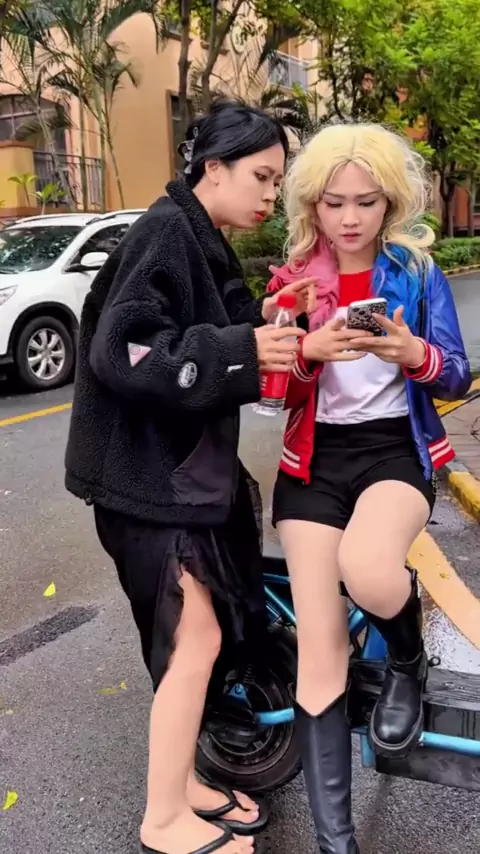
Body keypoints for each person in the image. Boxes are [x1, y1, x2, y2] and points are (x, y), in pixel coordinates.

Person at [64, 100, 313, 854]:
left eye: (277, 180)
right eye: (262, 176)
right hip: (146, 484)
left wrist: (268, 315)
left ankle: (185, 789)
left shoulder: (200, 237)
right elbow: (126, 351)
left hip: (172, 479)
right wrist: (244, 350)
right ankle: (163, 818)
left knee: (199, 640)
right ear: (214, 167)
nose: (271, 194)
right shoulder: (167, 232)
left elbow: (212, 324)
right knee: (193, 642)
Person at [267, 122, 471, 853]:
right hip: (312, 464)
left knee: (370, 568)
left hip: (394, 451)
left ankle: (406, 660)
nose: (350, 218)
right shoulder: (292, 281)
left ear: (389, 203)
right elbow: (270, 392)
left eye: (366, 201)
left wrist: (412, 351)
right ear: (312, 206)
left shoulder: (414, 272)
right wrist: (306, 351)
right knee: (319, 650)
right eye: (334, 203)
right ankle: (337, 844)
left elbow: (454, 373)